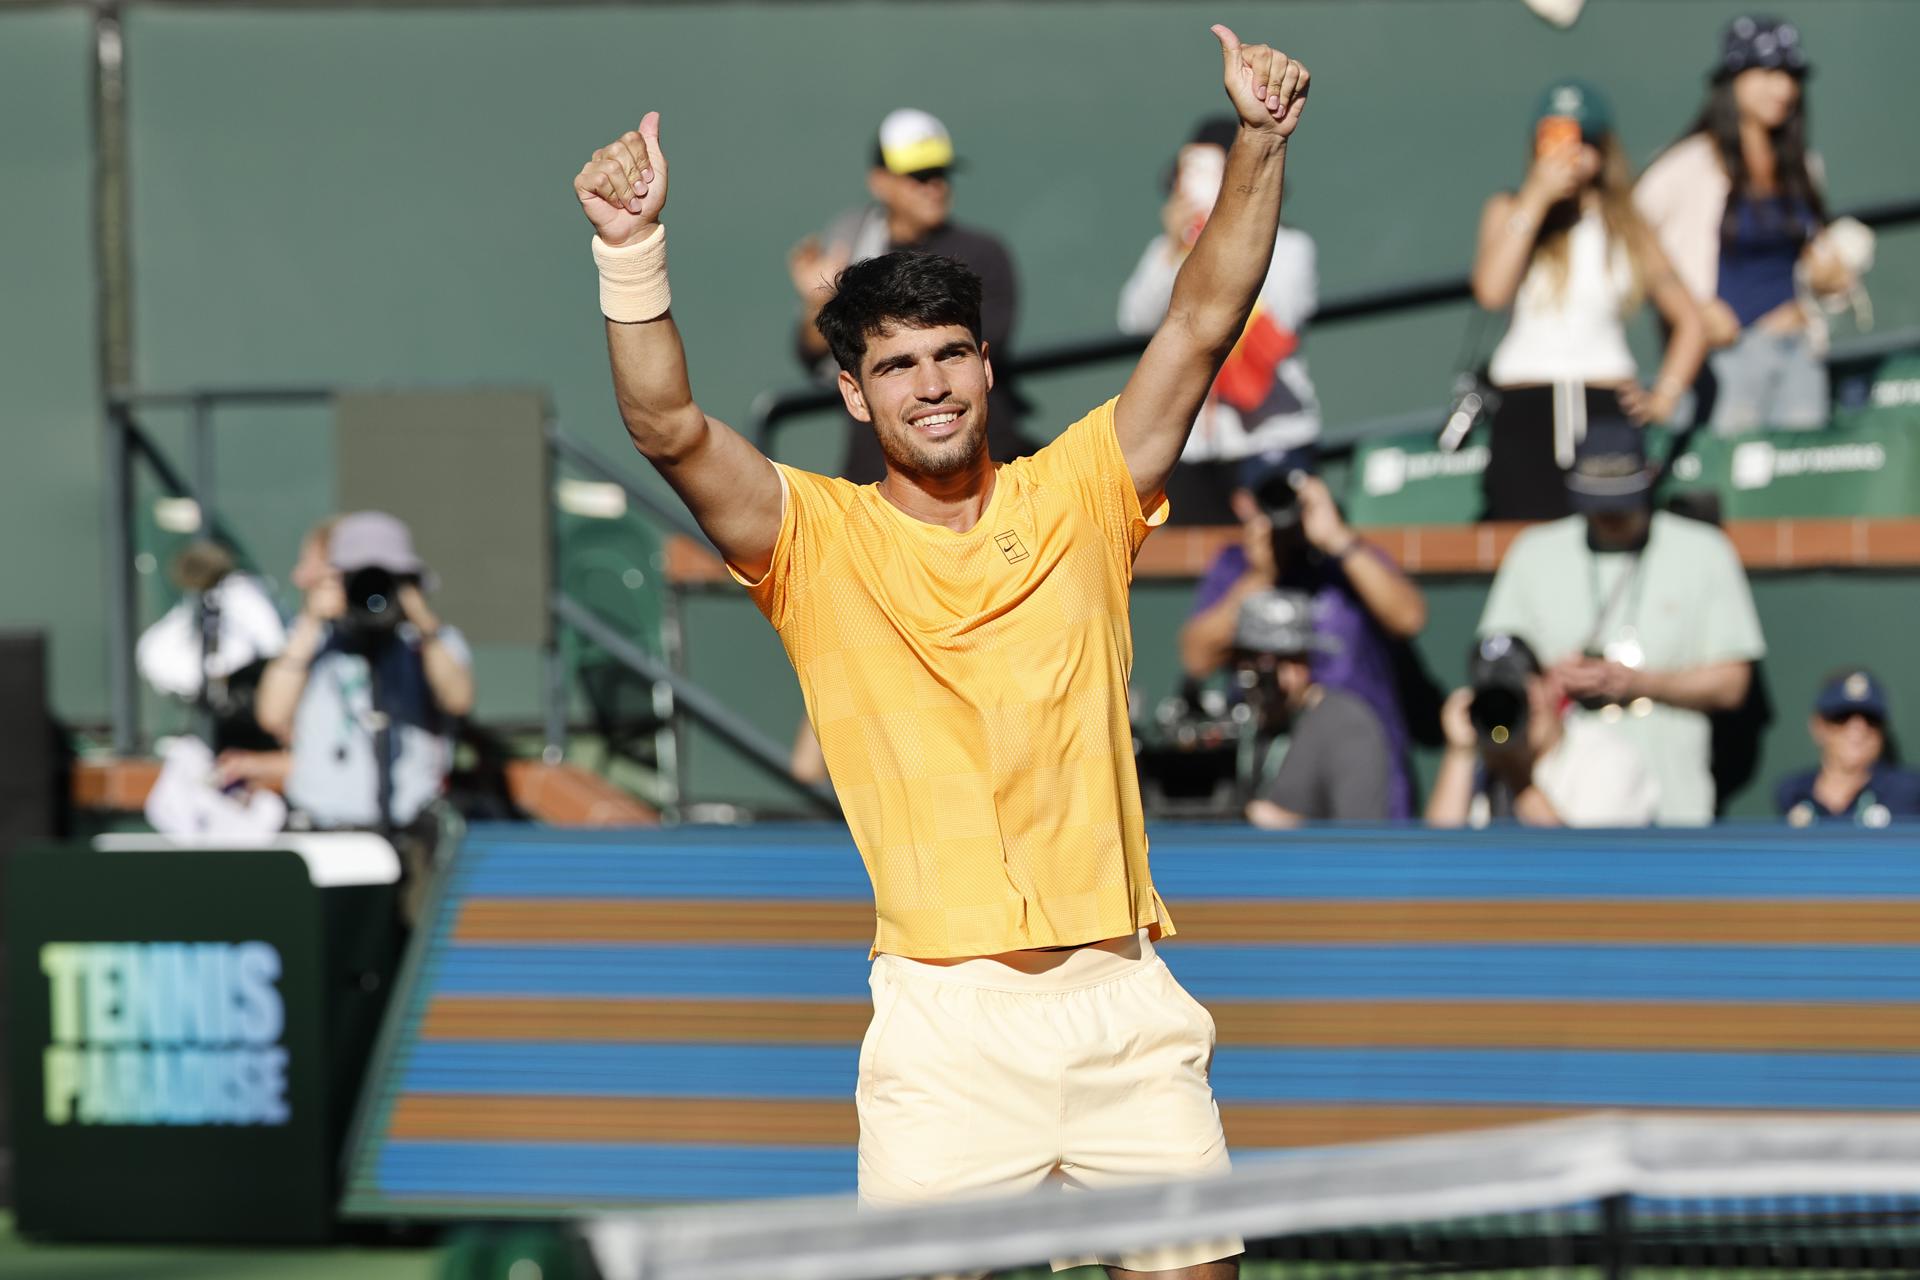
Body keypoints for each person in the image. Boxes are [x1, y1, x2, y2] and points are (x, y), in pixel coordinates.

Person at [573, 27, 1311, 1275]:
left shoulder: (1082, 491)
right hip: (945, 1028)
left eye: (950, 355)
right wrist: (629, 249)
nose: (930, 385)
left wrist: (1259, 138)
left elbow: (1202, 319)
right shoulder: (815, 539)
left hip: (1126, 1003)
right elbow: (667, 425)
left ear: (985, 364)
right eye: (897, 366)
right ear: (854, 394)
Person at [1477, 421, 1764, 825]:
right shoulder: (1534, 552)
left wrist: (1643, 684)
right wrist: (1550, 682)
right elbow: (1494, 670)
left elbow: (1732, 683)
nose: (1609, 514)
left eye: (1621, 500)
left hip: (1673, 806)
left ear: (1649, 477)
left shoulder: (1703, 550)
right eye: (1598, 501)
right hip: (1557, 802)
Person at [1471, 78, 1708, 521]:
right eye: (1556, 140)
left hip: (1605, 408)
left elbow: (1690, 321)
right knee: (1523, 533)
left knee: (1610, 533)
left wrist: (1665, 395)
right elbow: (1491, 291)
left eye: (1582, 141)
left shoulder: (1627, 225)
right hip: (1527, 408)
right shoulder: (1510, 208)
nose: (1570, 155)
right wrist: (1537, 197)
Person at [1636, 15, 1856, 433]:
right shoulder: (1688, 165)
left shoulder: (1804, 165)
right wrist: (1690, 308)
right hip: (1727, 359)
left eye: (1791, 76)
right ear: (1733, 79)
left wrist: (1828, 276)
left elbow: (1807, 253)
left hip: (1800, 353)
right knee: (1732, 470)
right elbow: (1628, 235)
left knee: (1798, 471)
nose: (1783, 89)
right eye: (1769, 73)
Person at [1178, 449, 1425, 819]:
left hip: (1360, 767)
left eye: (1291, 493)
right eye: (1269, 495)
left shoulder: (1346, 558)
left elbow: (1410, 618)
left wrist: (1337, 539)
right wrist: (1261, 574)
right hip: (1273, 772)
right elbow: (1196, 657)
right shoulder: (1236, 564)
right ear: (1244, 503)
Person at [789, 107, 1029, 483]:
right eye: (918, 176)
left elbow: (985, 346)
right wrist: (818, 303)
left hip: (977, 457)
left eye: (941, 173)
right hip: (877, 464)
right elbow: (811, 353)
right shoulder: (851, 245)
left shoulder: (984, 252)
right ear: (880, 182)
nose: (934, 186)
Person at [255, 511, 474, 914]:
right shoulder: (313, 643)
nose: (374, 595)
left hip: (411, 838)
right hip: (322, 837)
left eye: (386, 582)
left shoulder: (428, 644)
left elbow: (457, 699)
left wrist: (420, 618)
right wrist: (312, 620)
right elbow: (271, 714)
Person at [1118, 116, 1320, 525]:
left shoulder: (1291, 245)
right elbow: (1135, 318)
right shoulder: (1168, 250)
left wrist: (1231, 233)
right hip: (1191, 442)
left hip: (1270, 434)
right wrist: (1177, 249)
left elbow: (1285, 318)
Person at [1427, 632, 1658, 828]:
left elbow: (1584, 860)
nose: (1516, 704)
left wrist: (1516, 776)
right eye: (1498, 695)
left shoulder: (1606, 757)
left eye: (1522, 686)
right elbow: (1437, 856)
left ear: (1550, 686)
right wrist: (1459, 753)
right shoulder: (1481, 765)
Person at [1235, 589, 1391, 827]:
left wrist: (1288, 826)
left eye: (1287, 659)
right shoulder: (1237, 720)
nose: (1273, 676)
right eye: (1253, 659)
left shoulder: (1345, 725)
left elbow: (1361, 835)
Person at [1776, 669, 1920, 827]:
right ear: (1818, 726)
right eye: (1842, 717)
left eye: (1871, 719)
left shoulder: (1908, 791)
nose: (1858, 729)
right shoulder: (1794, 793)